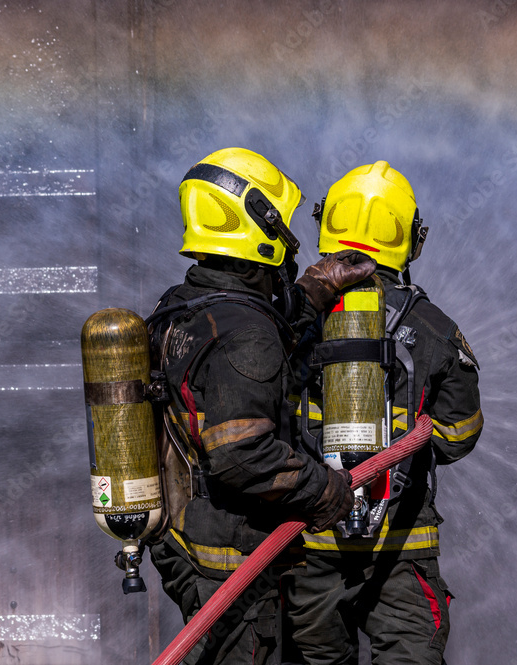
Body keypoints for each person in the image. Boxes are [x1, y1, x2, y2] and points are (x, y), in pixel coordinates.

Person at [145, 147, 376, 665]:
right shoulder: (248, 334)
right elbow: (243, 455)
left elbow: (237, 358)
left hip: (185, 539)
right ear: (261, 222)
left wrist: (309, 293)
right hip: (232, 559)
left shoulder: (180, 305)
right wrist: (326, 492)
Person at [285, 161, 483, 664]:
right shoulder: (433, 326)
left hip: (309, 548)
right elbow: (458, 434)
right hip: (400, 548)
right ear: (410, 239)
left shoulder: (289, 319)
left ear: (326, 223)